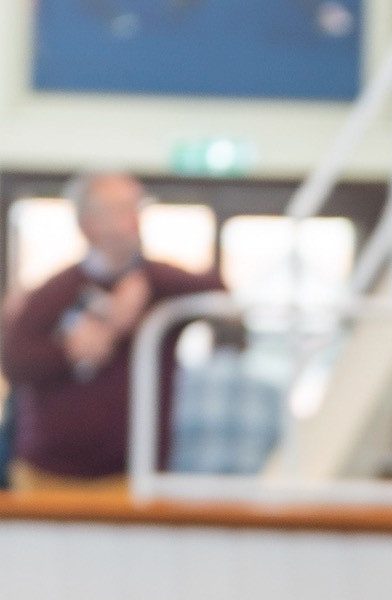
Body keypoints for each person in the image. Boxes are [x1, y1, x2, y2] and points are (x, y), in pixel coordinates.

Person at [0, 172, 223, 490]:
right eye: (120, 209)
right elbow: (14, 362)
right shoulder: (53, 293)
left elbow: (222, 294)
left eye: (137, 207)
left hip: (133, 475)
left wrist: (145, 288)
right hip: (48, 474)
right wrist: (70, 351)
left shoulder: (160, 283)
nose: (132, 218)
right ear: (89, 224)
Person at [170, 320, 282, 476]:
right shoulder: (270, 390)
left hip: (184, 492)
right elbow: (277, 442)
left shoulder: (182, 380)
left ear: (212, 340)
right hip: (246, 493)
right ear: (246, 343)